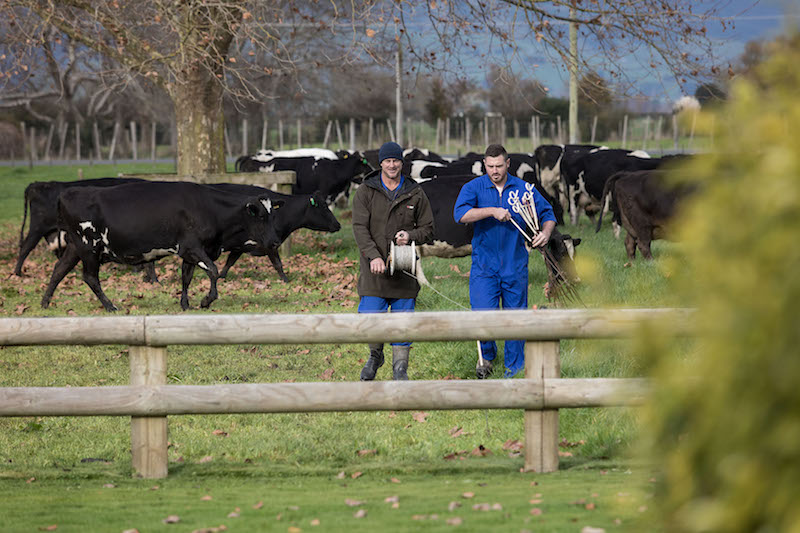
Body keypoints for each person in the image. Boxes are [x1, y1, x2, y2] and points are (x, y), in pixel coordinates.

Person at [453, 143, 556, 379]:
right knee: (482, 314)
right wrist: (491, 210)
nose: (495, 171)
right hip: (484, 267)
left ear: (508, 164)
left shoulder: (524, 189)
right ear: (484, 165)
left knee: (515, 319)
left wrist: (545, 233)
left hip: (515, 264)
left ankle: (515, 370)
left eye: (499, 165)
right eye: (490, 166)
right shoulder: (474, 187)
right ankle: (487, 356)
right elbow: (460, 214)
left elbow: (548, 214)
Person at [352, 141, 435, 381]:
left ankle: (400, 368)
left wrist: (410, 236)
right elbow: (359, 228)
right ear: (381, 164)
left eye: (396, 160)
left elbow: (428, 228)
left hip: (404, 270)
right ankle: (375, 355)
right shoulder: (366, 191)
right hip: (374, 271)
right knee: (370, 317)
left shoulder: (415, 192)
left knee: (402, 322)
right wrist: (374, 256)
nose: (392, 165)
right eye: (387, 161)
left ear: (402, 162)